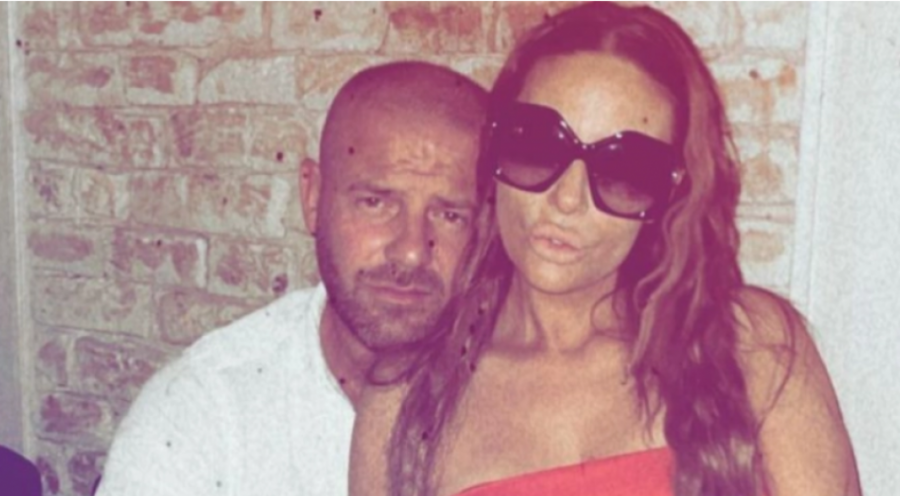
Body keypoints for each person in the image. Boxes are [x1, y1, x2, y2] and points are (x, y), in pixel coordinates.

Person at [349, 4, 862, 496]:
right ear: (494, 148)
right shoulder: (406, 400)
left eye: (625, 170)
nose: (567, 200)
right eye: (538, 144)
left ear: (670, 196)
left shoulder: (753, 347)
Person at [95, 61, 487, 496]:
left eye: (451, 215)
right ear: (313, 197)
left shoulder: (523, 398)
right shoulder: (202, 412)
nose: (411, 251)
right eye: (375, 203)